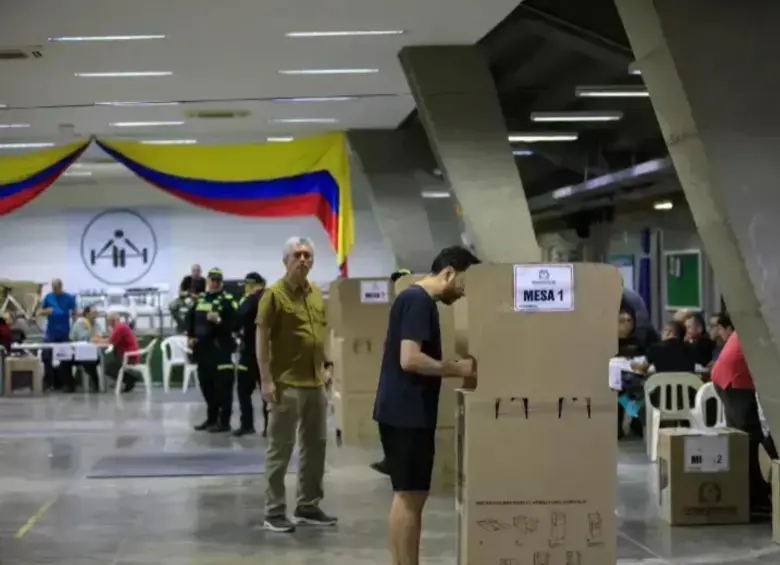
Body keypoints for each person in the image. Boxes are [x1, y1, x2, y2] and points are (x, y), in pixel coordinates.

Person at [374, 246, 480, 565]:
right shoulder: (419, 301)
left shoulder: (414, 299)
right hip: (407, 413)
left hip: (401, 411)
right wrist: (456, 368)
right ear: (449, 272)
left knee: (408, 495)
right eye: (463, 283)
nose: (463, 293)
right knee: (410, 496)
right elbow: (410, 359)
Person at [257, 237, 335, 533]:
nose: (303, 259)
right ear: (285, 261)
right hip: (286, 384)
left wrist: (327, 363)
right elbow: (261, 339)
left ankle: (308, 506)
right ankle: (274, 511)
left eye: (308, 255)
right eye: (297, 255)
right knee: (280, 449)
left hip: (315, 381)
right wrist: (266, 379)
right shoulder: (273, 295)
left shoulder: (315, 294)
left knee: (316, 447)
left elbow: (319, 333)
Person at [710, 316, 778, 519]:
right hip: (734, 379)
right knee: (749, 441)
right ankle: (756, 499)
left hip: (729, 377)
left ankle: (749, 495)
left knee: (743, 440)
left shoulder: (761, 319)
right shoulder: (768, 324)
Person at [370, 268, 412, 477]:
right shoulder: (398, 305)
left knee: (395, 419)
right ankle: (391, 459)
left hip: (404, 371)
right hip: (393, 368)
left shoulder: (413, 305)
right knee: (384, 416)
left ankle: (398, 462)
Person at [188, 268, 237, 433]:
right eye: (212, 280)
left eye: (217, 281)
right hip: (202, 349)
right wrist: (190, 336)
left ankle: (224, 422)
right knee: (206, 385)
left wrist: (219, 320)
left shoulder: (228, 300)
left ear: (221, 282)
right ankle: (211, 419)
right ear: (207, 281)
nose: (214, 283)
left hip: (220, 349)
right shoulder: (201, 298)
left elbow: (234, 324)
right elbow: (191, 318)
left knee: (223, 386)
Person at [232, 272, 267, 437]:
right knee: (267, 391)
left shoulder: (250, 300)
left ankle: (247, 425)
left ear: (251, 285)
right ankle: (270, 427)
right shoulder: (273, 299)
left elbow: (237, 319)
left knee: (243, 390)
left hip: (250, 352)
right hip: (268, 353)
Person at [39, 279, 77, 390]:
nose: (55, 290)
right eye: (53, 288)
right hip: (51, 332)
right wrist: (46, 311)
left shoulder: (68, 297)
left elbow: (74, 311)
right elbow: (39, 312)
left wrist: (74, 323)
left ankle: (66, 382)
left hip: (64, 332)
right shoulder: (48, 297)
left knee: (65, 358)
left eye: (56, 288)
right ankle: (48, 381)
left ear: (61, 287)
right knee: (46, 356)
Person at [94, 313, 140, 392]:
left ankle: (130, 380)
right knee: (111, 365)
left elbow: (111, 341)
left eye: (108, 322)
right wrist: (101, 340)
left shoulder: (119, 327)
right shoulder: (120, 326)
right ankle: (129, 380)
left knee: (108, 367)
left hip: (129, 355)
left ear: (111, 321)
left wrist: (97, 340)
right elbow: (112, 339)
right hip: (129, 354)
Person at [68, 306, 101, 392]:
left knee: (90, 361)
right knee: (64, 361)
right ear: (87, 314)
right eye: (93, 313)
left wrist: (90, 328)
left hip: (93, 353)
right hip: (78, 352)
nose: (95, 315)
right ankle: (69, 385)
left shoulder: (97, 325)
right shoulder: (78, 324)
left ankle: (95, 384)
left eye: (96, 313)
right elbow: (71, 338)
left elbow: (98, 338)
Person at [170, 264, 206, 331]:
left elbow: (205, 294)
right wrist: (187, 293)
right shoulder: (187, 279)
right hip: (184, 299)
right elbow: (180, 292)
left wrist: (196, 296)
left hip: (196, 301)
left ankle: (190, 327)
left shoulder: (203, 281)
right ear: (191, 271)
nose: (195, 273)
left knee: (192, 308)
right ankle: (182, 324)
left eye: (197, 271)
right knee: (172, 306)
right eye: (194, 271)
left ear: (200, 272)